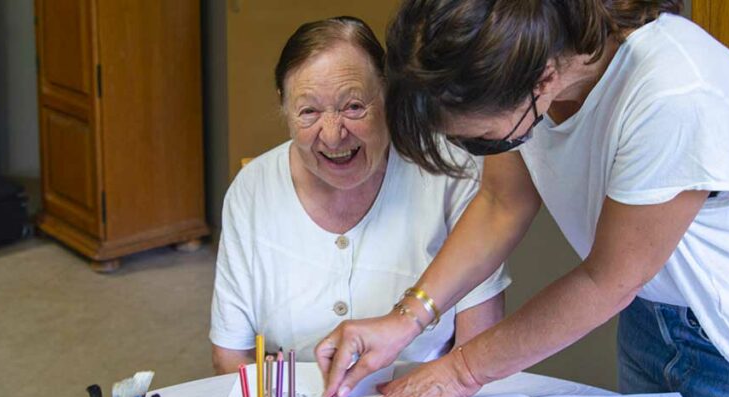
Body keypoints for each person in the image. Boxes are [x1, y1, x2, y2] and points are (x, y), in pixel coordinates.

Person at [315, 0, 729, 397]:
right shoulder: (529, 59)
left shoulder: (674, 92)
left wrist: (458, 372)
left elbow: (607, 280)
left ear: (543, 79)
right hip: (655, 322)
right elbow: (503, 201)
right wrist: (406, 320)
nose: (476, 152)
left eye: (481, 140)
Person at [210, 16, 509, 373]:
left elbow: (476, 346)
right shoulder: (252, 190)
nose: (334, 135)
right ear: (284, 107)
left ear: (387, 95)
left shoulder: (450, 171)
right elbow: (230, 354)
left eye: (353, 107)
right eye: (309, 111)